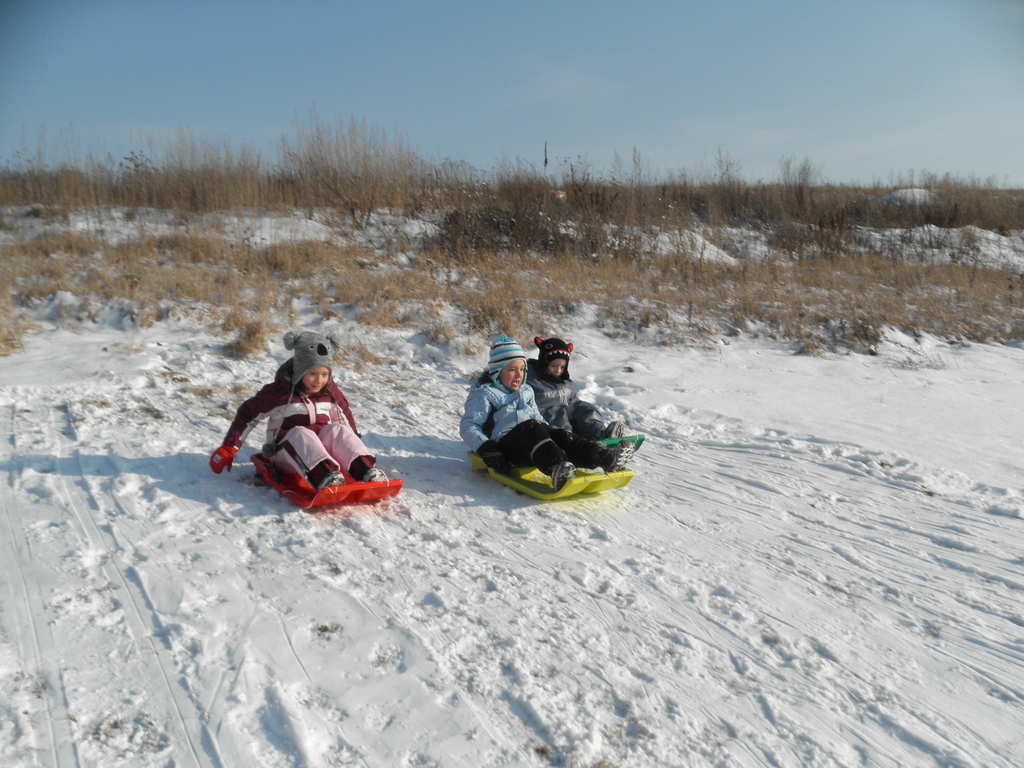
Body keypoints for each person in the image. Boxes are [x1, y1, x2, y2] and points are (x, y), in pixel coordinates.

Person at [209, 330, 386, 489]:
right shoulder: (279, 393)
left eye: (324, 375)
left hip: (323, 454)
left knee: (338, 429)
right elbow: (247, 414)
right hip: (284, 455)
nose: (319, 380)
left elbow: (345, 414)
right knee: (301, 432)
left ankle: (365, 470)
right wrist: (230, 447)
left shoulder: (330, 391)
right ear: (300, 371)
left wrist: (352, 439)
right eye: (312, 374)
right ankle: (324, 476)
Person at [460, 335, 627, 491]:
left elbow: (536, 416)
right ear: (497, 371)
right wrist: (486, 448)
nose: (519, 375)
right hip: (504, 448)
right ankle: (557, 468)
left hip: (532, 440)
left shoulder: (526, 390)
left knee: (561, 436)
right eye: (512, 370)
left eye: (522, 369)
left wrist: (551, 432)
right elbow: (469, 425)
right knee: (532, 428)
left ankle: (603, 457)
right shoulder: (484, 394)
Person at [527, 336, 628, 440]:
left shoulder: (564, 382)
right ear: (544, 363)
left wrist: (579, 408)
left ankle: (600, 434)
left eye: (562, 367)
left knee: (585, 409)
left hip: (567, 411)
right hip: (546, 419)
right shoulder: (531, 380)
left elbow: (573, 401)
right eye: (553, 366)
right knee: (557, 416)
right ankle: (569, 444)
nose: (558, 370)